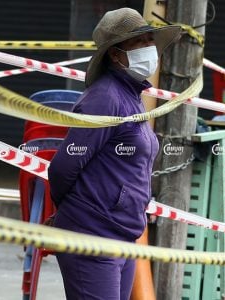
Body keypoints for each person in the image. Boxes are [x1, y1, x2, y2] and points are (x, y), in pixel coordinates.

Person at [48, 7, 181, 300]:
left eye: (149, 40)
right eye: (138, 42)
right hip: (93, 237)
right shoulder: (105, 98)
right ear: (115, 54)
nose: (148, 49)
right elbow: (62, 167)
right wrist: (78, 214)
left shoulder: (132, 98)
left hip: (123, 236)